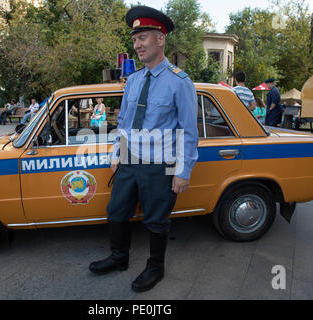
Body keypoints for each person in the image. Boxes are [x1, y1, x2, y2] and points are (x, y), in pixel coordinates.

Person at [89, 6, 198, 293]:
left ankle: (155, 267)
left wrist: (182, 171)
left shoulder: (180, 82)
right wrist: (116, 152)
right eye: (135, 39)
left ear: (160, 39)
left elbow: (188, 131)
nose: (137, 45)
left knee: (156, 218)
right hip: (129, 160)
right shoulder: (134, 81)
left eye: (143, 38)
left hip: (159, 164)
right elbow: (124, 121)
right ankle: (118, 257)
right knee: (116, 211)